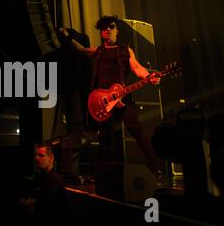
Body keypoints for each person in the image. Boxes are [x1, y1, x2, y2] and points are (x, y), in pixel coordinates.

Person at [58, 16, 164, 179]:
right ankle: (108, 175)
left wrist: (149, 76)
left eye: (110, 27)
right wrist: (67, 37)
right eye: (104, 29)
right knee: (107, 138)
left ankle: (155, 168)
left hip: (123, 98)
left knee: (136, 130)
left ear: (117, 30)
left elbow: (136, 67)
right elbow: (82, 50)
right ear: (101, 33)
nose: (107, 31)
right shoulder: (99, 51)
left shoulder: (125, 50)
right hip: (104, 101)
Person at [19, 144, 68, 226]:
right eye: (36, 155)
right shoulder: (40, 177)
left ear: (51, 158)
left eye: (41, 155)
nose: (37, 158)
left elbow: (44, 211)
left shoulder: (54, 180)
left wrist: (31, 204)